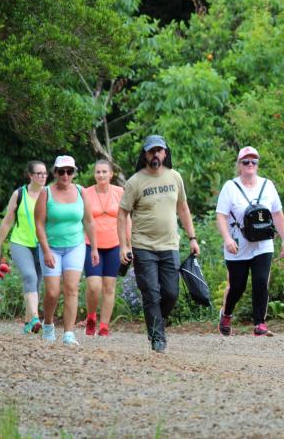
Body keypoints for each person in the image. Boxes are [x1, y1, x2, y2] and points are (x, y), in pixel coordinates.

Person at [118, 135, 200, 353]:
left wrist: (192, 238)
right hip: (143, 246)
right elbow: (122, 213)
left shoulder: (175, 177)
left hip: (170, 245)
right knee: (151, 293)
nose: (155, 154)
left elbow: (183, 208)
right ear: (145, 154)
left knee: (171, 293)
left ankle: (156, 321)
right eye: (151, 151)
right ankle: (157, 338)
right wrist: (124, 246)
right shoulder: (135, 181)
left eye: (159, 151)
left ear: (165, 153)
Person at [215, 146, 284, 337]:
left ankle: (259, 323)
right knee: (237, 286)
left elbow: (277, 213)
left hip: (263, 244)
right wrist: (227, 239)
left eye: (253, 161)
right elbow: (221, 216)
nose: (250, 165)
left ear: (257, 165)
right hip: (238, 245)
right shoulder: (230, 187)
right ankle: (227, 314)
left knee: (260, 281)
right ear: (239, 165)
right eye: (246, 162)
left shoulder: (268, 185)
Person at [35, 156, 99, 346]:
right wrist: (46, 250)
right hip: (51, 247)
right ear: (55, 173)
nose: (65, 175)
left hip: (75, 246)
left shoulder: (81, 191)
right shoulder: (46, 193)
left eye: (69, 171)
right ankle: (48, 324)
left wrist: (94, 248)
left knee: (71, 288)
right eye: (61, 171)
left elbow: (88, 221)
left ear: (73, 173)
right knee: (53, 292)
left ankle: (69, 333)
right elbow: (39, 224)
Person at [0, 161, 48, 334]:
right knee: (30, 276)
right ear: (30, 175)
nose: (43, 176)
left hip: (41, 244)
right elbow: (8, 220)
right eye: (39, 173)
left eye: (45, 173)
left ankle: (27, 323)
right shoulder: (19, 194)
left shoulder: (49, 194)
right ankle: (36, 318)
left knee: (36, 284)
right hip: (20, 242)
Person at [82, 160, 129, 337]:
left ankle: (104, 327)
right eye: (98, 172)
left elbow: (126, 219)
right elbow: (81, 218)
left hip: (114, 244)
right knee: (94, 286)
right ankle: (91, 317)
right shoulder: (86, 193)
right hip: (91, 245)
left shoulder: (119, 192)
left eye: (104, 172)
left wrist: (128, 244)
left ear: (111, 174)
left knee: (109, 286)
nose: (101, 175)